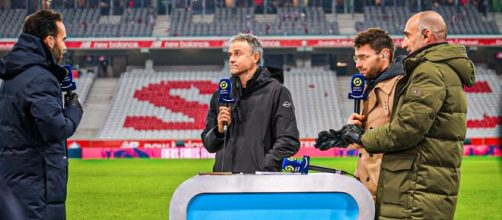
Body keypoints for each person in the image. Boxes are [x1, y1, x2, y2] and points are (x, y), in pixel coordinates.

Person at [315, 11, 475, 219]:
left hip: (411, 191)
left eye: (408, 36)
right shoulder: (428, 71)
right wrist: (347, 136)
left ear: (426, 35)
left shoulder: (424, 73)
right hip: (405, 189)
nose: (405, 43)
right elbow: (386, 131)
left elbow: (404, 130)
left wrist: (360, 137)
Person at [0, 9, 83, 220]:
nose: (65, 46)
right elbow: (56, 128)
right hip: (36, 190)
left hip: (17, 184)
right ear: (49, 41)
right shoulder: (39, 78)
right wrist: (73, 110)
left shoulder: (16, 74)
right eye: (62, 39)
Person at [317, 28, 404, 201]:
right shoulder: (369, 87)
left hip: (391, 191)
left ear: (385, 54)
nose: (358, 63)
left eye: (364, 57)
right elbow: (370, 138)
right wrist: (346, 136)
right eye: (356, 58)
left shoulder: (401, 86)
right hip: (366, 191)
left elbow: (402, 135)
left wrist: (361, 136)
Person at [201, 33, 300, 173]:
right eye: (230, 55)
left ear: (255, 57)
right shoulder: (220, 95)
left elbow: (289, 140)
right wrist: (218, 131)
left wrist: (263, 167)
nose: (231, 59)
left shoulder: (276, 92)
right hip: (223, 184)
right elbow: (209, 145)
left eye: (237, 54)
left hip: (259, 184)